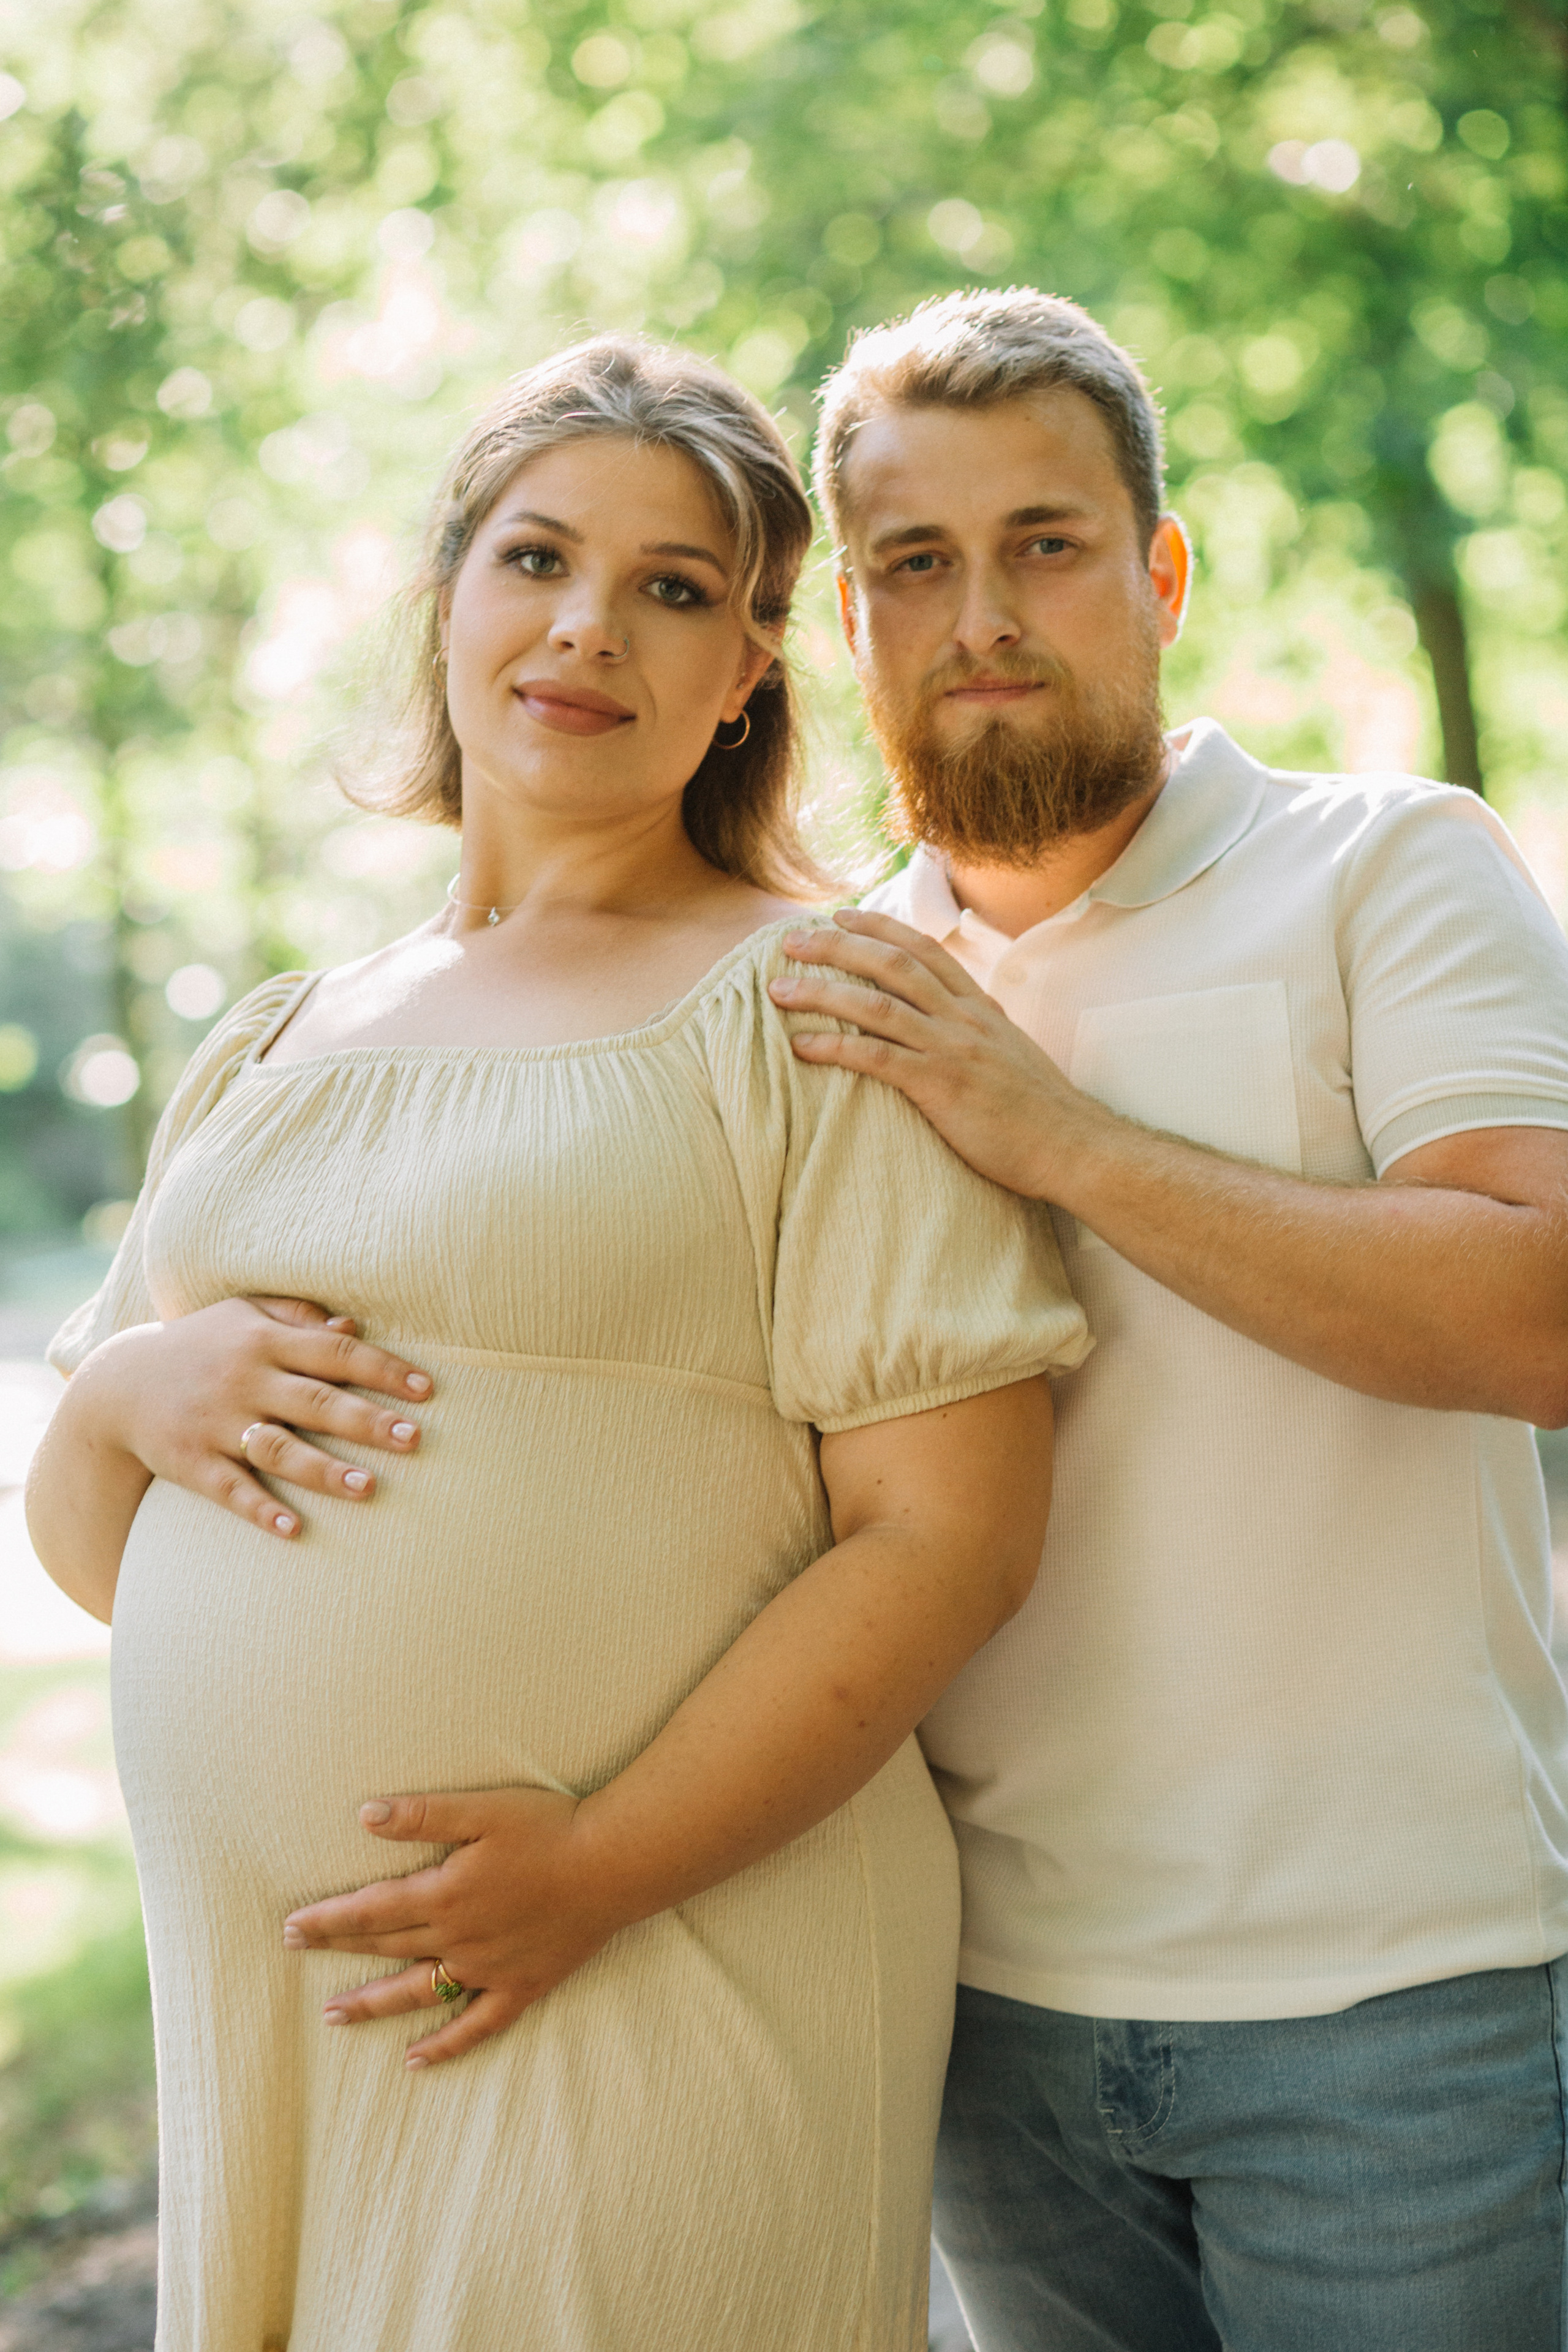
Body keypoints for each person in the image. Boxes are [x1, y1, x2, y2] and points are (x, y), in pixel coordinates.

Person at [25, 336, 1091, 2352]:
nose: (589, 626)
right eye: (536, 559)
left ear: (749, 673)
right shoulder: (276, 1037)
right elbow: (114, 1557)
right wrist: (117, 1399)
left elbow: (954, 1536)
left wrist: (596, 1866)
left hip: (668, 1945)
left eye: (676, 589)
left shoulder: (813, 1007)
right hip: (287, 2014)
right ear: (448, 601)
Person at [764, 286, 1568, 2351]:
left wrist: (1058, 1135)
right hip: (984, 2025)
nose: (982, 620)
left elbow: (1540, 1304)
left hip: (1406, 2016)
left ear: (1162, 570)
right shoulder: (825, 982)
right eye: (912, 568)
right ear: (845, 627)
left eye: (1044, 542)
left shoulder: (1384, 865)